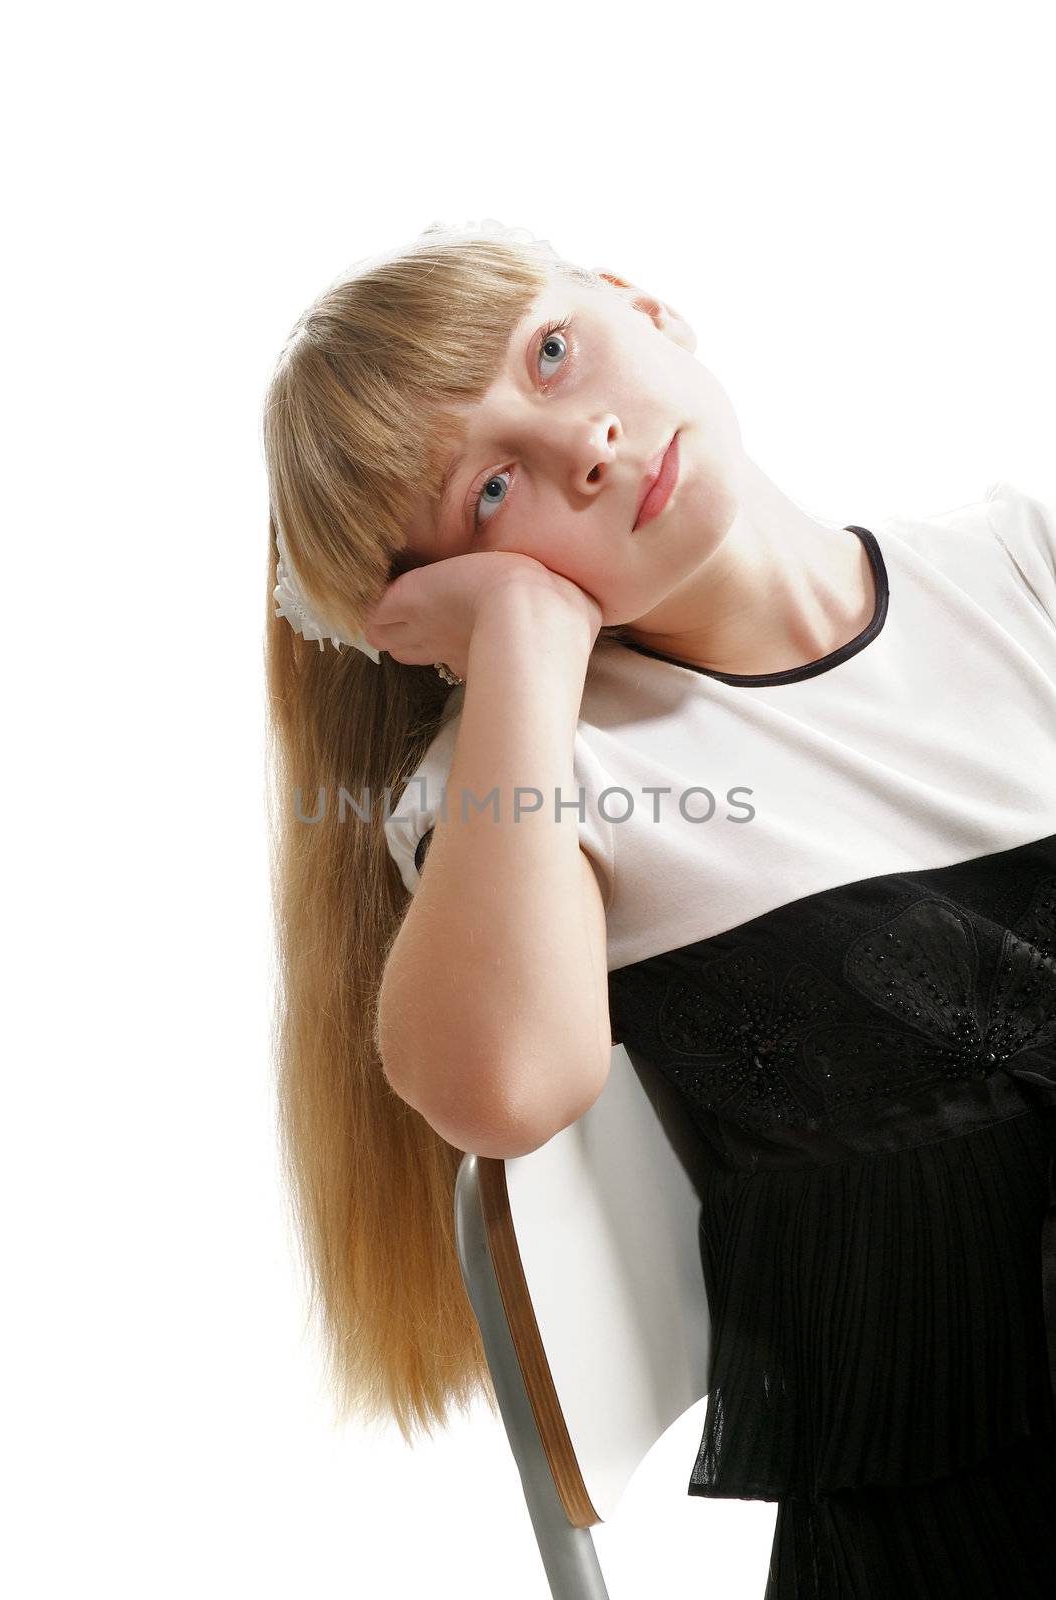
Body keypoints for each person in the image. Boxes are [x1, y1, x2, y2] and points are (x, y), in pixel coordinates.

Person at [262, 218, 1056, 1597]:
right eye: (491, 497)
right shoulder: (544, 778)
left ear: (643, 303)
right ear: (433, 610)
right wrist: (524, 643)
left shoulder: (1021, 571)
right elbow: (505, 1085)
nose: (582, 449)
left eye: (552, 356)